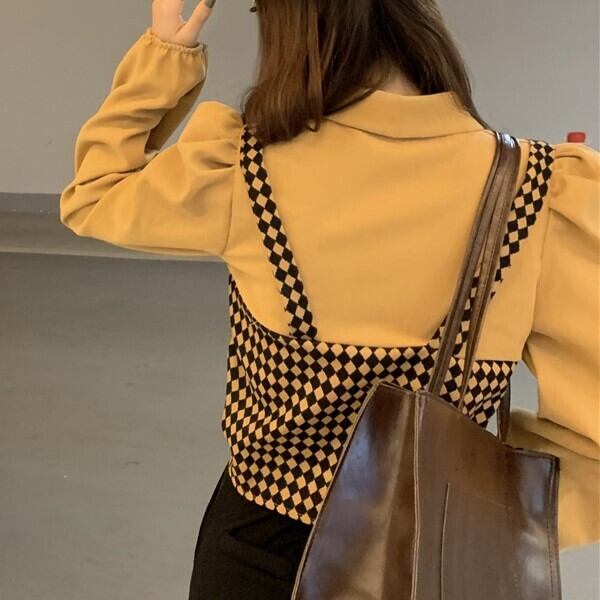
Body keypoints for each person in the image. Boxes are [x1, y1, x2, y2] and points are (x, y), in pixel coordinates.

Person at [59, 1, 600, 598]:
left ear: (291, 26)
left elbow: (95, 194)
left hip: (262, 544)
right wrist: (498, 517)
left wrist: (167, 53)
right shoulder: (543, 192)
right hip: (436, 550)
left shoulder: (247, 168)